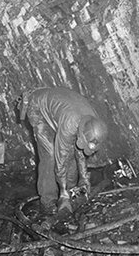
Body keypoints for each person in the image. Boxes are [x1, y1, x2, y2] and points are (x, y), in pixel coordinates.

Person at [19, 86, 109, 217]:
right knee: (50, 156)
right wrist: (63, 192)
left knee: (72, 154)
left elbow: (80, 151)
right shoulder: (70, 124)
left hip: (61, 110)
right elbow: (60, 161)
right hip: (38, 109)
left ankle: (72, 193)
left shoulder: (94, 124)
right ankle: (47, 201)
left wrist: (84, 179)